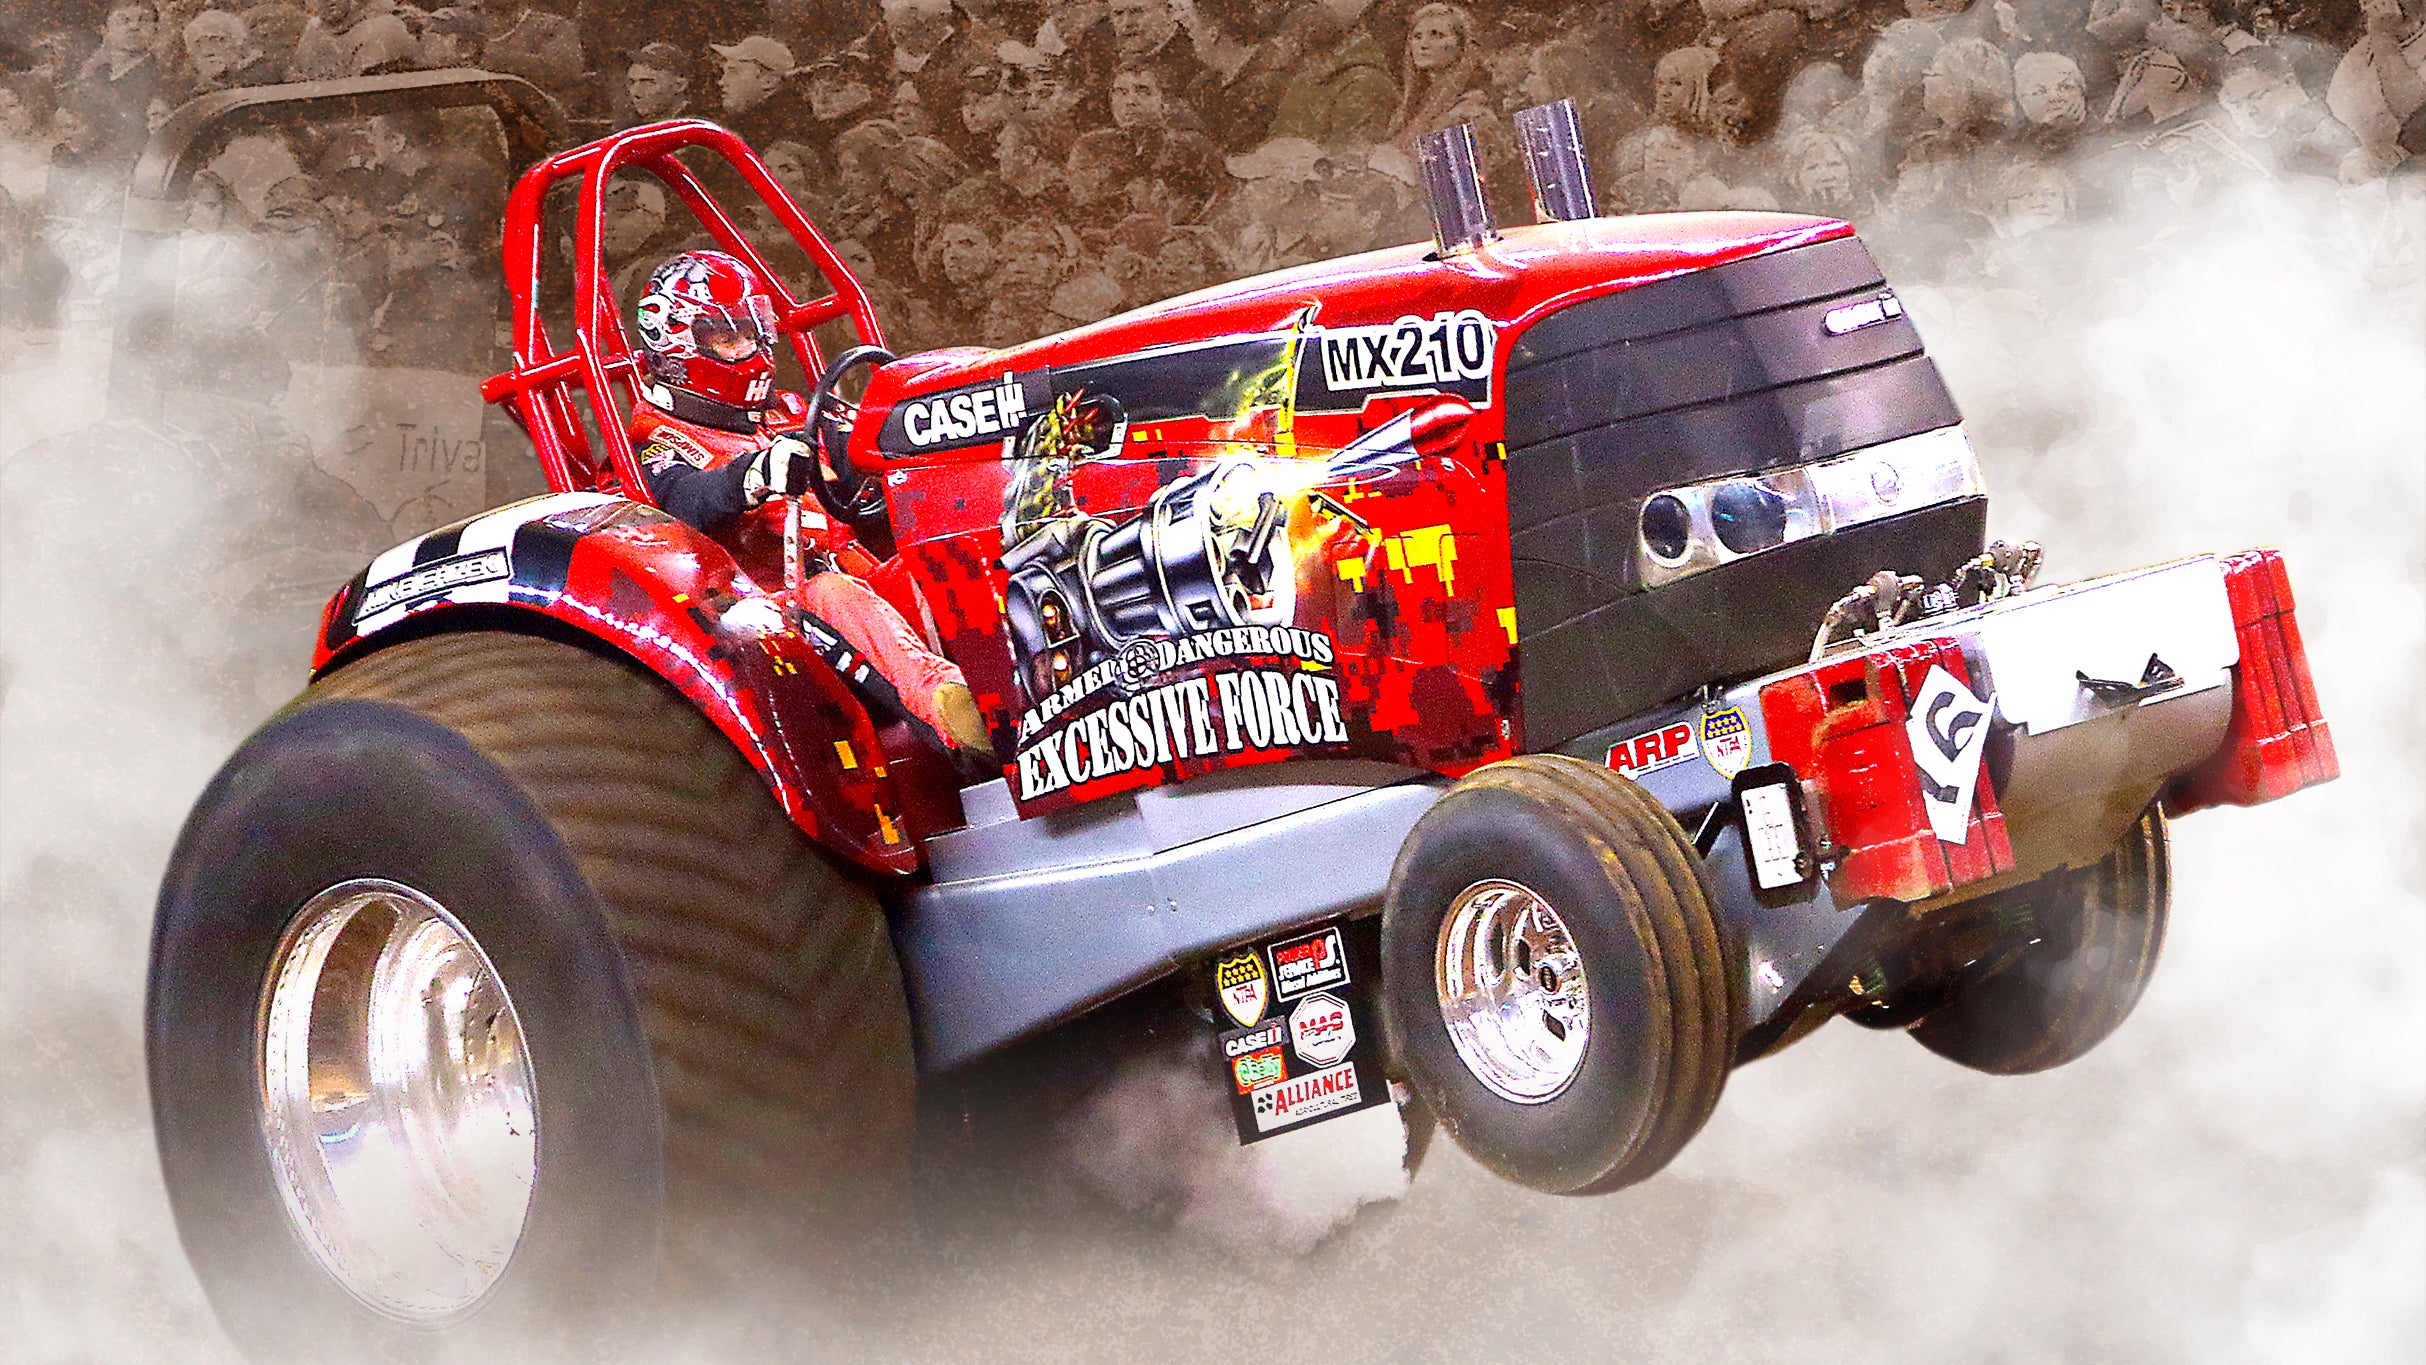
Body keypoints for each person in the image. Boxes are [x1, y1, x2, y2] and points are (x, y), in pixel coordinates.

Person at [628, 250, 993, 756]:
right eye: (730, 338)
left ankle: (1033, 683)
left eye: (756, 332)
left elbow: (861, 453)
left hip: (856, 581)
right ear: (678, 346)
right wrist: (752, 475)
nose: (752, 350)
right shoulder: (654, 440)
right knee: (834, 593)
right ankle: (957, 713)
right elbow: (684, 502)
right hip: (767, 620)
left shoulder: (789, 412)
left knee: (939, 558)